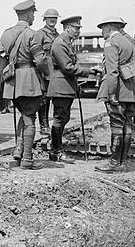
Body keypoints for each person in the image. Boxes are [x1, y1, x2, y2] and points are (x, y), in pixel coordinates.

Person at [0, 0, 48, 170]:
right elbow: (40, 60)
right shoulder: (31, 34)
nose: (34, 16)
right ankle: (27, 158)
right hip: (28, 81)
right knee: (30, 118)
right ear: (28, 14)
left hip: (12, 83)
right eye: (33, 13)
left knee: (24, 115)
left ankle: (18, 151)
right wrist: (47, 74)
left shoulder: (5, 34)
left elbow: (1, 60)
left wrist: (6, 77)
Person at [47, 15, 96, 164]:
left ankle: (56, 150)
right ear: (67, 28)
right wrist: (88, 71)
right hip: (60, 86)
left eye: (79, 29)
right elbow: (67, 67)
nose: (78, 32)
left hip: (66, 86)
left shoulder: (66, 42)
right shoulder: (60, 43)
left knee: (64, 118)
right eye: (76, 28)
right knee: (59, 118)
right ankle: (56, 152)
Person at [94, 16, 135, 173]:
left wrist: (111, 93)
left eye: (103, 28)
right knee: (128, 124)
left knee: (116, 125)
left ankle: (114, 163)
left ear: (110, 27)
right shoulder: (129, 41)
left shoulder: (111, 43)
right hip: (131, 89)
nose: (102, 32)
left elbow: (112, 71)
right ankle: (122, 162)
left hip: (118, 89)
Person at [32, 8, 60, 135]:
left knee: (55, 97)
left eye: (54, 18)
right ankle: (44, 125)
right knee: (44, 99)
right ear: (44, 19)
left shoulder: (58, 35)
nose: (52, 20)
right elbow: (36, 53)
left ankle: (55, 125)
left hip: (56, 71)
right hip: (44, 71)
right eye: (49, 18)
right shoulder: (40, 34)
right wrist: (43, 70)